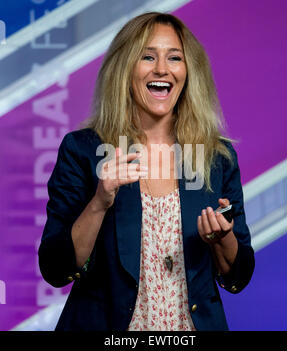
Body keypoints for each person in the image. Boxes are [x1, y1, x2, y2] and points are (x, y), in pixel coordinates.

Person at [38, 12, 255, 331]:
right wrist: (99, 202)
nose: (162, 69)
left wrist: (222, 239)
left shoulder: (215, 157)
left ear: (188, 71)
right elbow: (55, 269)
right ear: (124, 68)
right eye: (148, 56)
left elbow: (238, 276)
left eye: (175, 58)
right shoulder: (83, 150)